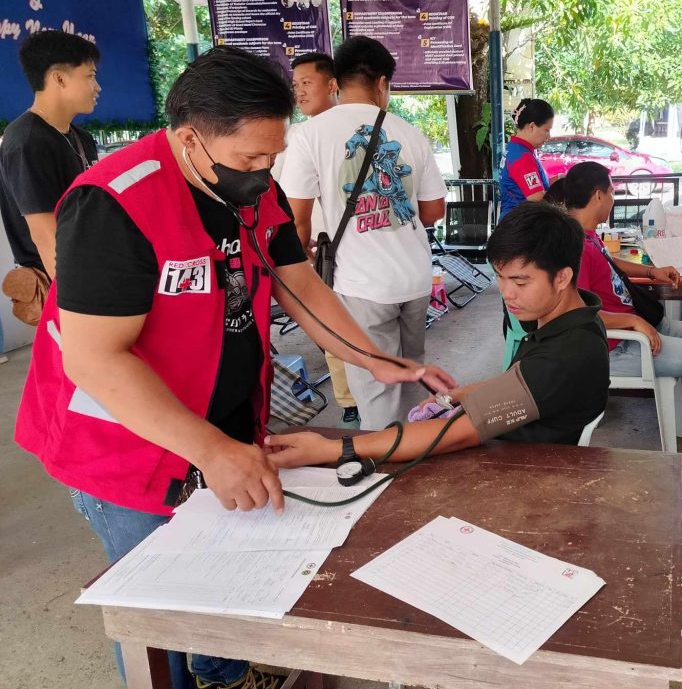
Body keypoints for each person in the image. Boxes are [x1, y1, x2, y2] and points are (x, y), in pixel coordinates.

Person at [15, 46, 454, 689]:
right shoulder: (115, 204)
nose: (264, 171)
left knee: (221, 572)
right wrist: (211, 452)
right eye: (250, 157)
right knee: (156, 609)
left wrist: (374, 358)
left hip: (220, 420)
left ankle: (225, 672)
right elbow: (93, 357)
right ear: (191, 137)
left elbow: (296, 281)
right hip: (125, 443)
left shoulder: (250, 186)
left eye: (272, 156)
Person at [264, 201, 610, 467]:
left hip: (521, 469)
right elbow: (521, 382)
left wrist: (333, 449)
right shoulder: (577, 319)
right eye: (500, 278)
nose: (507, 293)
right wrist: (456, 395)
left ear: (562, 277)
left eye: (520, 281)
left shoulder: (566, 354)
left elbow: (453, 435)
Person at [280, 36, 447, 430]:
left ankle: (385, 464)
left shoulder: (308, 135)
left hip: (360, 285)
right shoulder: (410, 132)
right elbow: (433, 212)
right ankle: (413, 444)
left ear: (335, 81)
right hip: (416, 278)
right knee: (412, 372)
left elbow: (296, 220)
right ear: (382, 83)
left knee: (374, 387)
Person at [549, 161, 682, 473]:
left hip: (639, 329)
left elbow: (611, 263)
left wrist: (652, 271)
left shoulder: (586, 235)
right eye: (612, 193)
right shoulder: (573, 245)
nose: (613, 199)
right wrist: (632, 322)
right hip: (618, 347)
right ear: (598, 195)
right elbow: (577, 313)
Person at [274, 51, 360, 427]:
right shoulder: (292, 136)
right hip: (323, 250)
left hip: (348, 245)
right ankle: (350, 400)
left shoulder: (352, 130)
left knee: (351, 324)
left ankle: (367, 398)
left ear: (332, 84)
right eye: (295, 86)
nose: (300, 92)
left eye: (306, 83)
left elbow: (297, 215)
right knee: (334, 324)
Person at [0, 31, 100, 308]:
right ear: (59, 78)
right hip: (61, 283)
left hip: (92, 268)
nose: (98, 86)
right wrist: (76, 304)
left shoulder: (82, 138)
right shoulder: (26, 141)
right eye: (90, 76)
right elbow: (45, 235)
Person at [498, 98, 554, 221]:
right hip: (520, 228)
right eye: (546, 130)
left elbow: (530, 185)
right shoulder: (522, 158)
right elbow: (537, 200)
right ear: (532, 127)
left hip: (513, 223)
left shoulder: (515, 149)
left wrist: (559, 180)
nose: (548, 136)